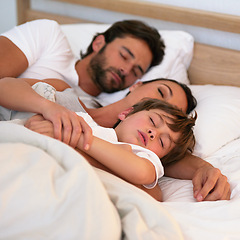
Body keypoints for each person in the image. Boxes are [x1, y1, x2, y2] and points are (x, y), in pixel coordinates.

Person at [0, 77, 231, 202]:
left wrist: (70, 140)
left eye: (172, 110)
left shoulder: (135, 152)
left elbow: (150, 177)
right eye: (161, 94)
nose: (156, 131)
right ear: (137, 86)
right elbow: (4, 86)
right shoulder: (63, 91)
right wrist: (49, 109)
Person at [24, 98, 197, 202]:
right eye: (152, 121)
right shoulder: (86, 122)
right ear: (127, 113)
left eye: (162, 141)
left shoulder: (143, 156)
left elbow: (140, 172)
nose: (154, 133)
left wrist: (77, 137)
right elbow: (40, 122)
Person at [0, 19, 164, 100]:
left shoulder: (102, 113)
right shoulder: (49, 37)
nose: (126, 70)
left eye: (136, 71)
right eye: (124, 56)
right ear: (99, 43)